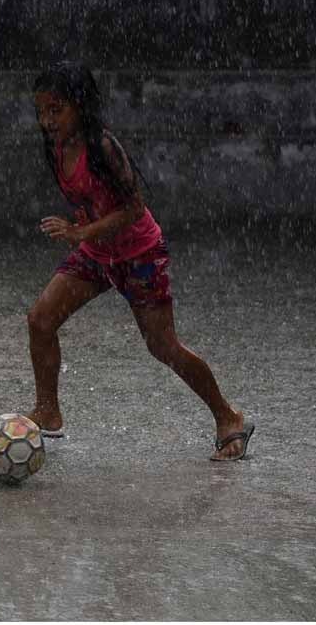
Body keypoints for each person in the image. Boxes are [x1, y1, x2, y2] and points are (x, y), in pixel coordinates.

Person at [25, 62, 253, 461]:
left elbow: (133, 209)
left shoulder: (102, 147)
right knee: (41, 319)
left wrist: (80, 233)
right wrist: (87, 235)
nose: (47, 121)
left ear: (80, 105)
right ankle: (48, 411)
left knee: (163, 347)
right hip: (99, 254)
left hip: (139, 255)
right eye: (42, 111)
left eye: (56, 110)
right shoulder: (56, 146)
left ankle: (228, 417)